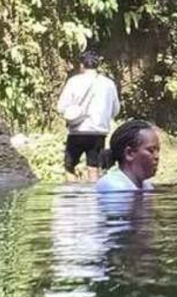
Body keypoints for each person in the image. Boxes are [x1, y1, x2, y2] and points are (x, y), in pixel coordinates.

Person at [55, 50, 120, 183]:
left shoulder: (74, 82)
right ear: (98, 65)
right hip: (98, 132)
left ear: (81, 65)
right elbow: (115, 110)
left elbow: (61, 107)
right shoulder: (109, 84)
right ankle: (95, 199)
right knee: (94, 168)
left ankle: (72, 196)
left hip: (77, 131)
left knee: (69, 167)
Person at [97, 119, 160, 192]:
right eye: (151, 150)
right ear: (129, 153)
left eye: (158, 151)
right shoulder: (114, 186)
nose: (157, 157)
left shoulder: (146, 186)